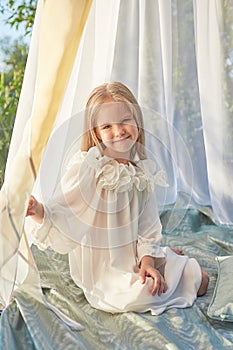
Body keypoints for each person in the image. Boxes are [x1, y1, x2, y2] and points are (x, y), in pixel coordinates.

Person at [26, 81, 209, 315]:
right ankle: (151, 270)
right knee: (146, 292)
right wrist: (40, 211)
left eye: (125, 120)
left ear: (137, 121)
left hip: (136, 255)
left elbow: (147, 225)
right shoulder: (89, 167)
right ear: (96, 132)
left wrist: (148, 263)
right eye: (107, 126)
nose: (119, 131)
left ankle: (159, 258)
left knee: (200, 280)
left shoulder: (142, 170)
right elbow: (67, 208)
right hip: (106, 268)